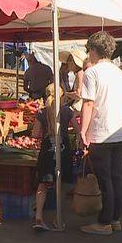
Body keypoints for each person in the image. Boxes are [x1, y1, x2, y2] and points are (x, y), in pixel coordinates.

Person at [79, 32, 122, 235]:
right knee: (117, 177)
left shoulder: (92, 73)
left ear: (93, 50)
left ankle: (104, 222)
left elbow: (89, 103)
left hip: (101, 133)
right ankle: (115, 218)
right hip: (119, 132)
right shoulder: (119, 72)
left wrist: (83, 131)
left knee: (105, 179)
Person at [33, 84, 73, 232]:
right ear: (61, 96)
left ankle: (38, 217)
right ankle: (58, 218)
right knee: (60, 185)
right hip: (63, 150)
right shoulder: (66, 111)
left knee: (42, 184)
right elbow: (76, 128)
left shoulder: (41, 113)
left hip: (46, 151)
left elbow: (35, 133)